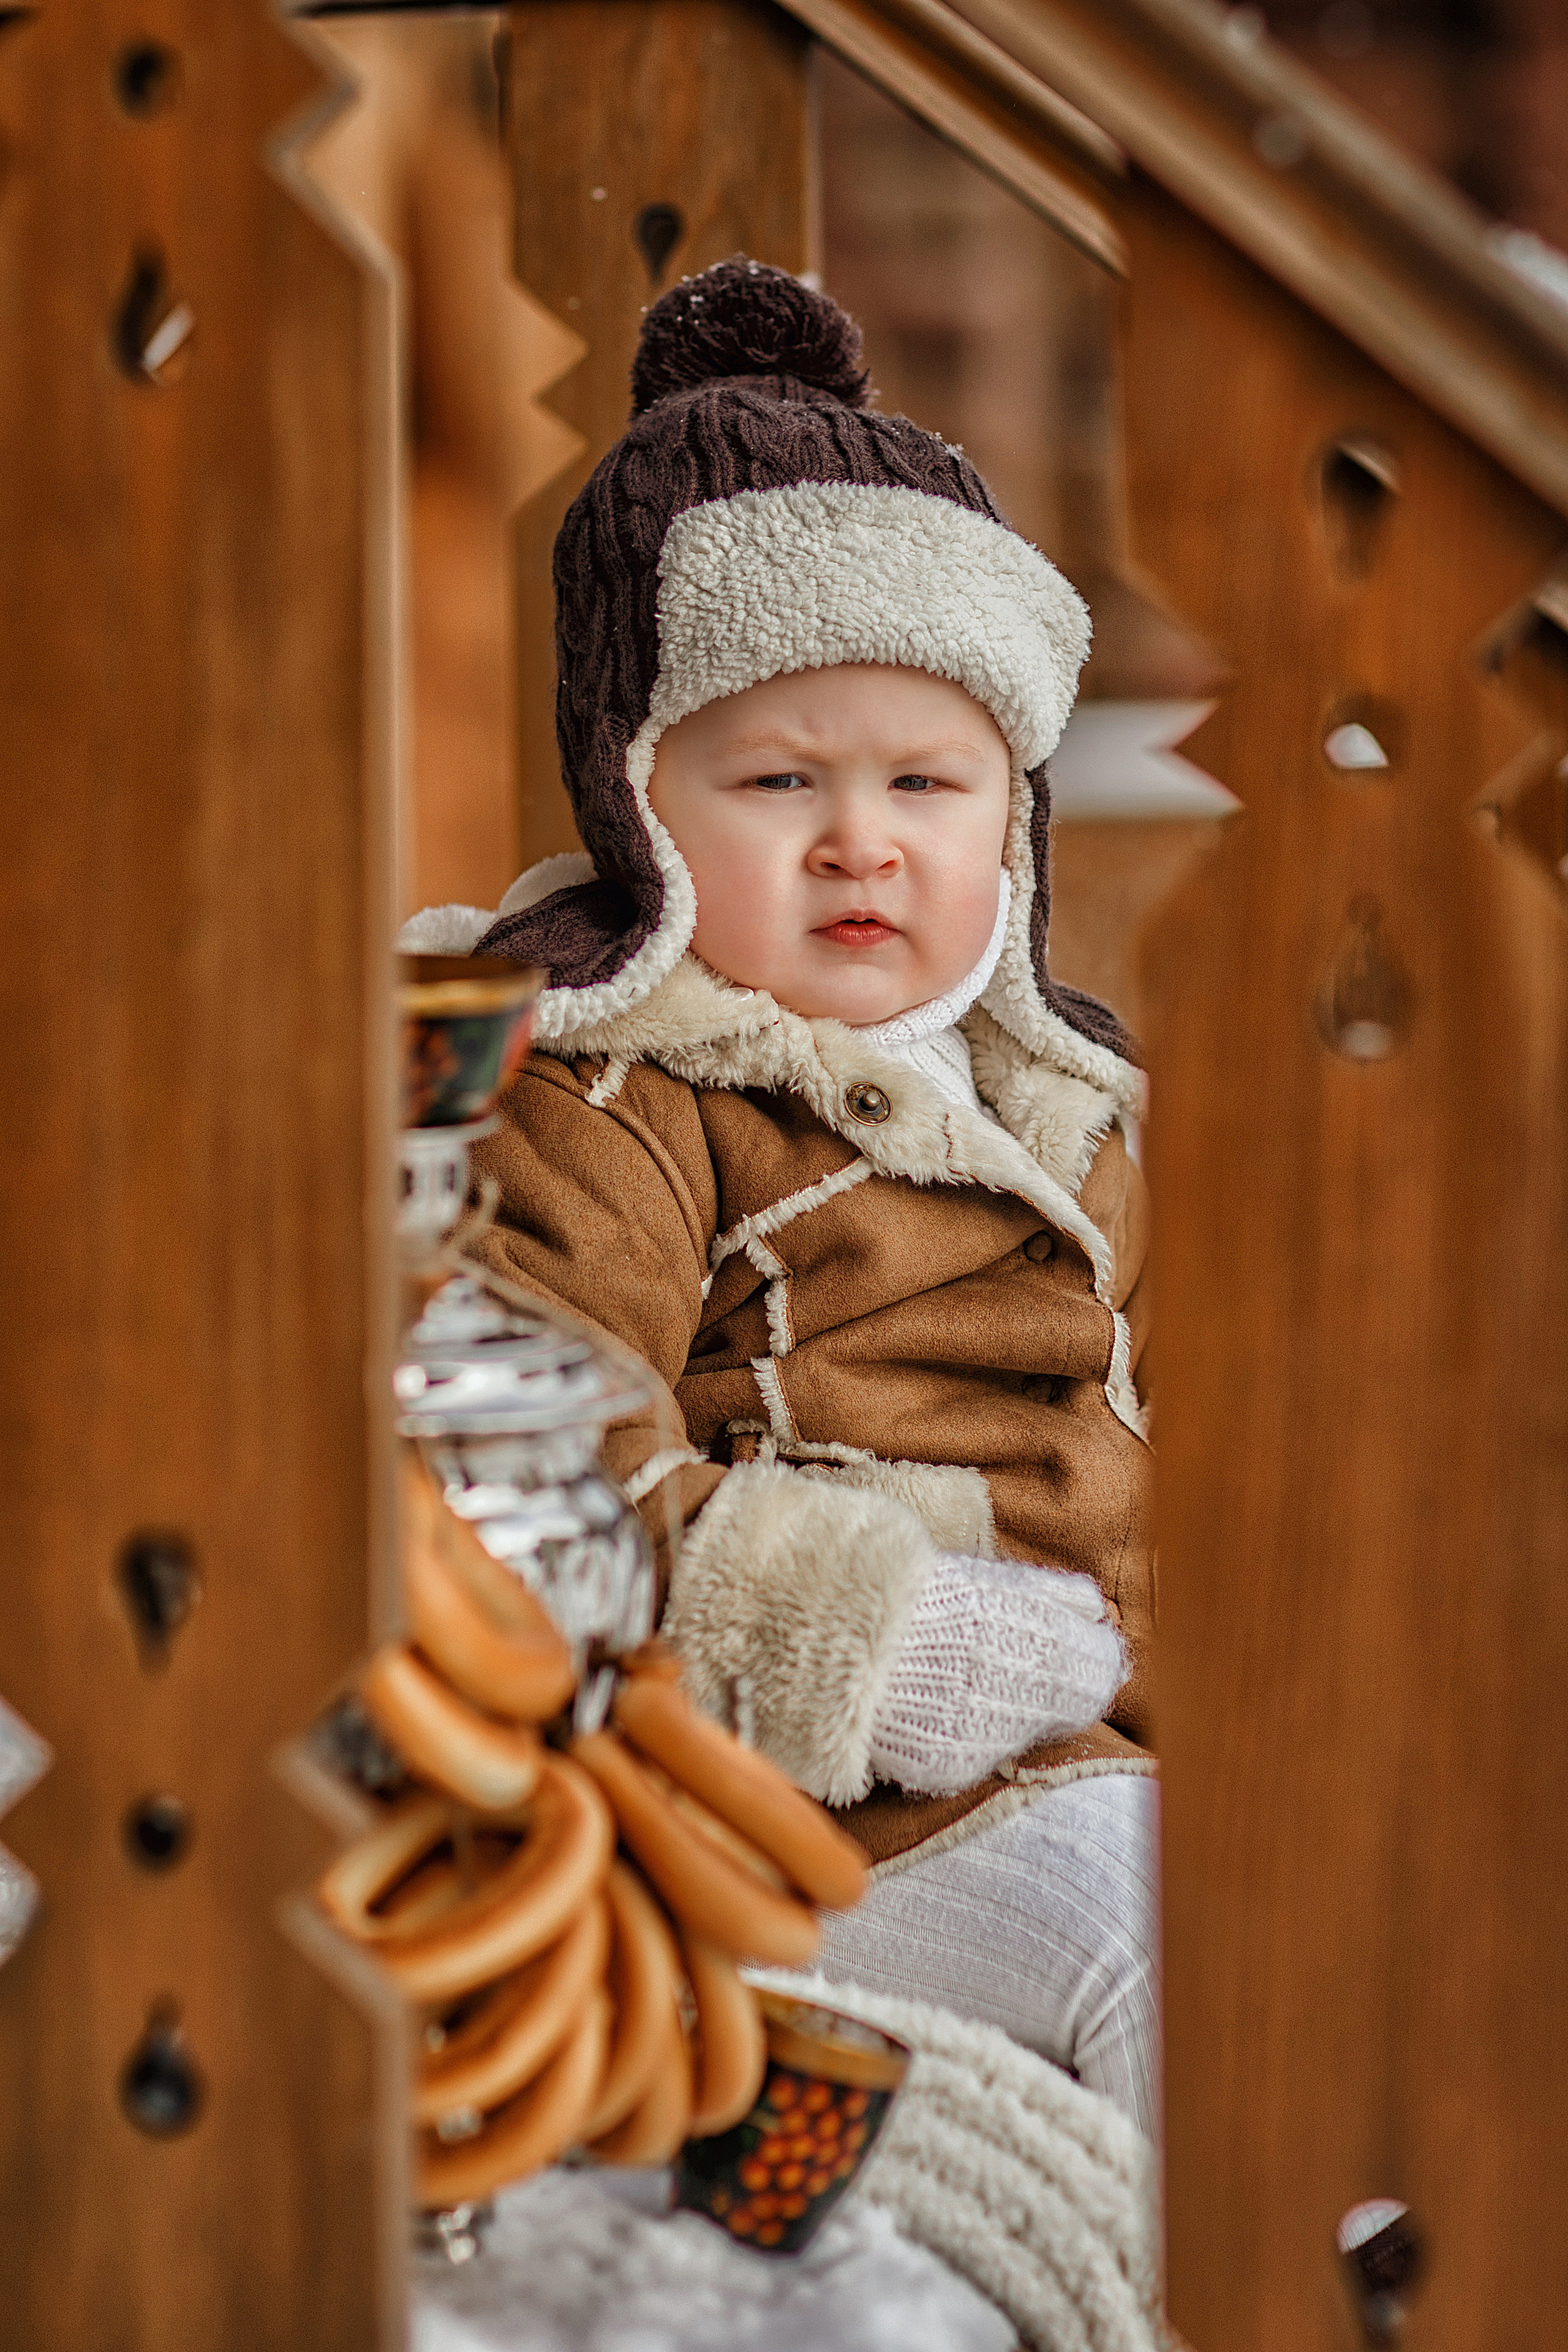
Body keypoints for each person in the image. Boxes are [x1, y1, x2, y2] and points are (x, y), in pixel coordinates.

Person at [403, 259, 1160, 2136]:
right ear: (640, 800)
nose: (862, 839)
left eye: (929, 777)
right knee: (1182, 1945)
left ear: (1016, 817)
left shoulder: (1051, 1107)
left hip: (1081, 1749)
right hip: (791, 1810)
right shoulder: (615, 1090)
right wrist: (862, 1638)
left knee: (1411, 1894)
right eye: (775, 777)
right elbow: (531, 1454)